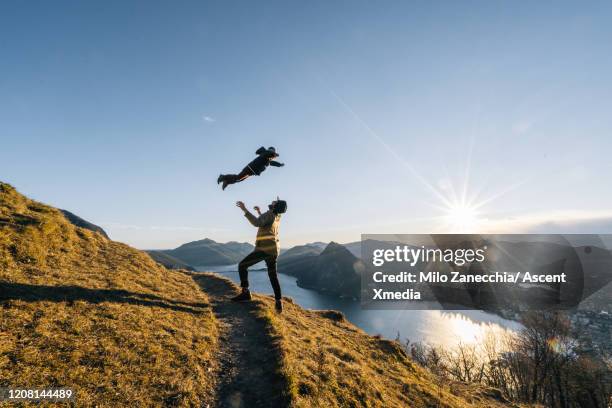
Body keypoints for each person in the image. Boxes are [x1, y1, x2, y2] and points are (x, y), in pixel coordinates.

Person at [232, 198, 287, 312]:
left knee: (242, 265)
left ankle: (246, 293)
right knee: (273, 276)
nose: (273, 201)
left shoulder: (270, 214)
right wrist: (259, 212)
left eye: (275, 202)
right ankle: (278, 301)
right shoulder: (277, 216)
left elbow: (257, 223)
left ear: (275, 206)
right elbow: (266, 222)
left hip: (264, 249)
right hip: (274, 250)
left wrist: (244, 209)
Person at [217, 147, 284, 190]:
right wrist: (273, 153)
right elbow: (267, 153)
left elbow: (273, 163)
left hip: (252, 171)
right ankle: (223, 177)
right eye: (273, 154)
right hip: (251, 168)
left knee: (239, 179)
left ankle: (227, 181)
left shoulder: (268, 160)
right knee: (238, 177)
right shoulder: (266, 153)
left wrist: (280, 165)